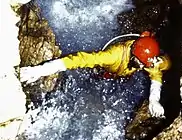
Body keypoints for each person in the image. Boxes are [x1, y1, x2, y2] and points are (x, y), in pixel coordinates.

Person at [20, 31, 171, 118]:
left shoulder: (147, 60)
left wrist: (154, 100)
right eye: (141, 64)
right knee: (96, 78)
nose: (144, 67)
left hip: (123, 72)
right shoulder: (112, 56)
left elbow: (157, 75)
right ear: (133, 56)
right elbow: (79, 59)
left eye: (145, 65)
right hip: (110, 70)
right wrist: (40, 70)